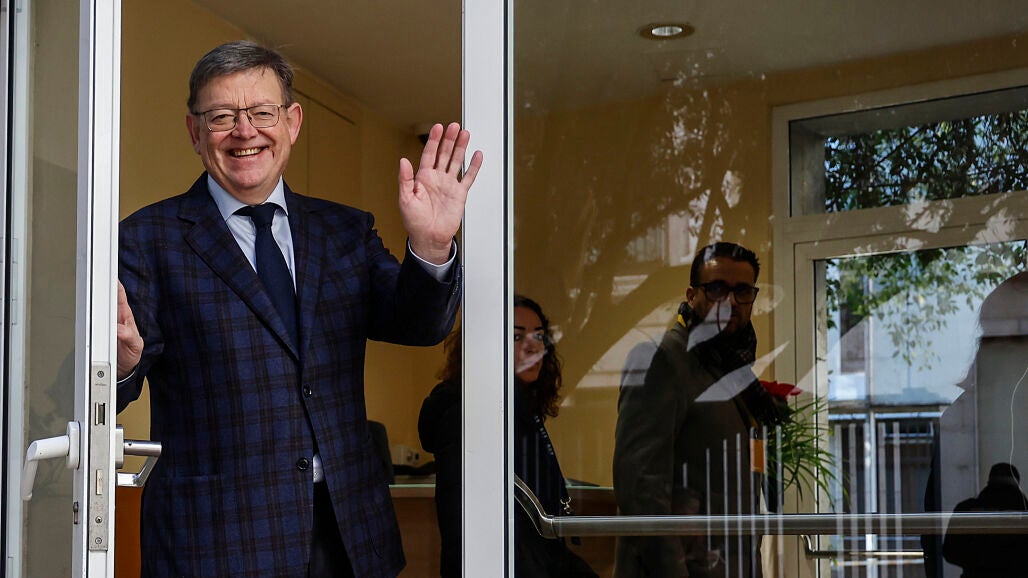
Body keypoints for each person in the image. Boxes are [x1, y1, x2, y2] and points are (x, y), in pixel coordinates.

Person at [115, 41, 482, 578]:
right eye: (222, 116)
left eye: (263, 113)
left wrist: (430, 246)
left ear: (292, 122)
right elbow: (108, 387)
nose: (245, 131)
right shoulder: (146, 239)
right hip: (218, 543)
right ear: (195, 132)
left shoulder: (343, 231)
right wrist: (121, 366)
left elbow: (420, 325)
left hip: (349, 536)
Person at [612, 242, 787, 578]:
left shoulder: (733, 370)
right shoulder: (662, 358)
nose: (731, 302)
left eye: (742, 291)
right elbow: (641, 491)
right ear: (692, 296)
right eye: (718, 289)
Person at [419, 295, 598, 577]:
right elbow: (468, 530)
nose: (532, 346)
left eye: (539, 336)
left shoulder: (517, 409)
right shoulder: (472, 415)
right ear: (487, 344)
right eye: (516, 337)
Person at [942, 462, 1028, 577]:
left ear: (989, 482)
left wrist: (977, 562)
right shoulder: (1024, 512)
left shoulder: (966, 509)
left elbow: (951, 552)